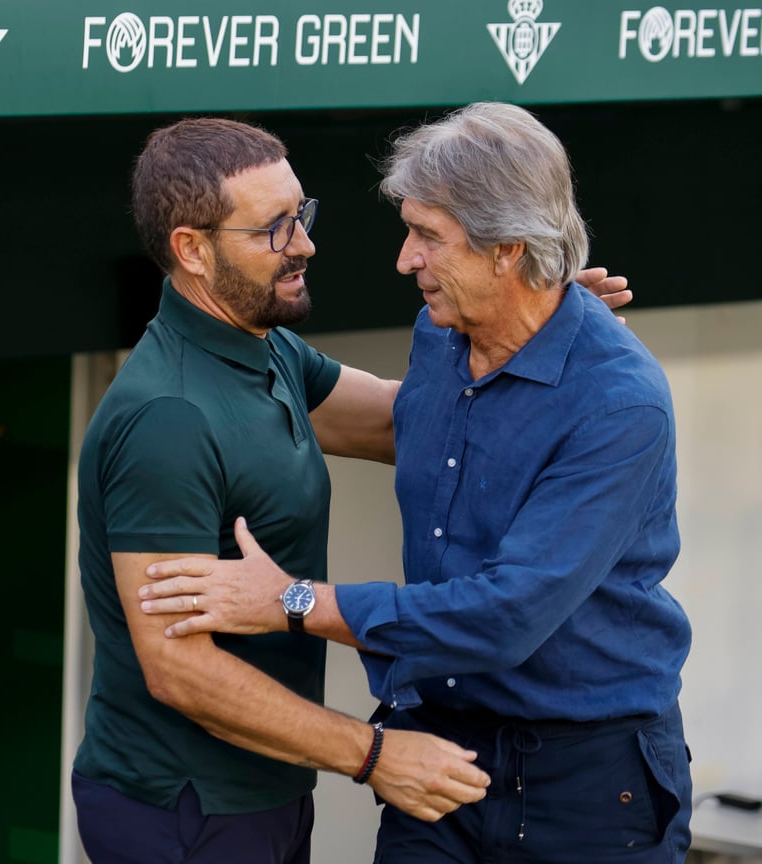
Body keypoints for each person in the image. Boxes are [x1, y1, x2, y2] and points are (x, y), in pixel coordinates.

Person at [140, 103, 692, 864]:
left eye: (428, 236)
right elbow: (381, 422)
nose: (405, 260)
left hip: (590, 787)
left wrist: (292, 601)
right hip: (438, 755)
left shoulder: (619, 403)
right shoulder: (441, 332)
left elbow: (505, 615)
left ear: (509, 250)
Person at [72, 116, 494, 864]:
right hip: (185, 807)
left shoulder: (268, 349)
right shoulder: (168, 419)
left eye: (302, 215)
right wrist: (375, 755)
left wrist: (519, 329)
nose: (304, 244)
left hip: (264, 792)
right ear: (192, 250)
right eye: (274, 228)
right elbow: (178, 668)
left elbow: (408, 428)